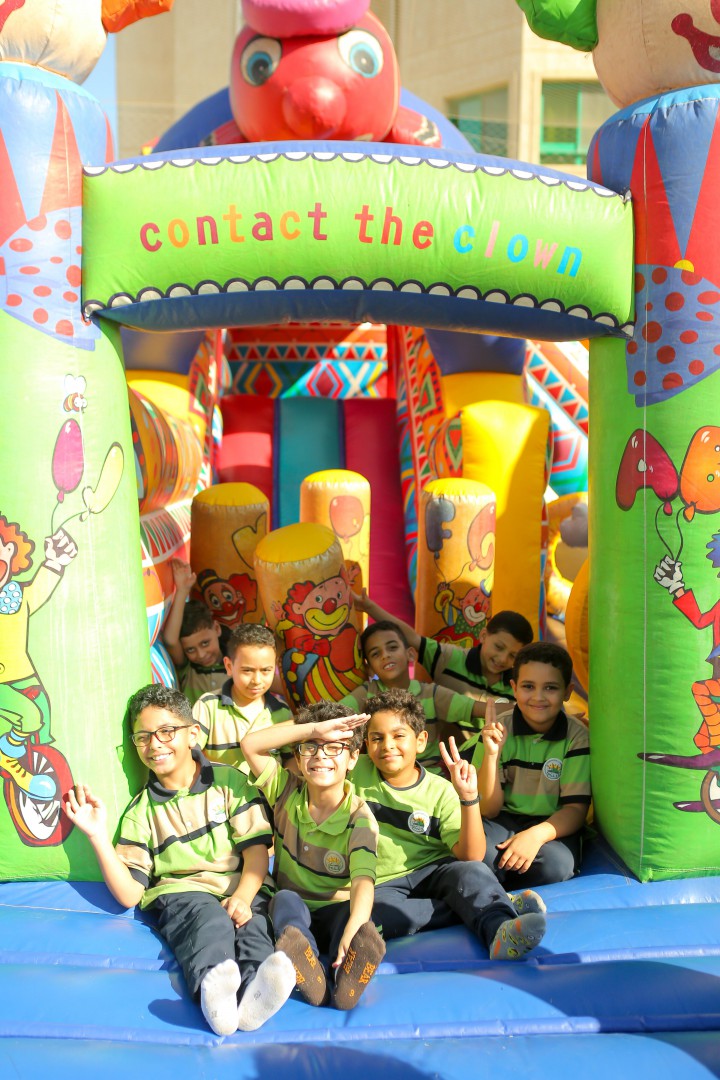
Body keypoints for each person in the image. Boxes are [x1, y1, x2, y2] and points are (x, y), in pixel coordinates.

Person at [62, 684, 296, 1035]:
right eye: (143, 737)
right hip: (184, 894)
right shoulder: (141, 811)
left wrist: (243, 898)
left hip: (242, 886)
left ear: (193, 734)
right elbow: (129, 894)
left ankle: (254, 995)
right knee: (209, 923)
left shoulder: (229, 783)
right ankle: (214, 995)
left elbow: (256, 854)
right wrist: (97, 836)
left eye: (166, 731)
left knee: (255, 927)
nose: (155, 744)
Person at [352, 689, 547, 960]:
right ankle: (488, 901)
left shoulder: (440, 790)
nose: (387, 745)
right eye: (377, 738)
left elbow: (472, 855)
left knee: (470, 873)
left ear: (421, 741)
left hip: (434, 871)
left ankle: (500, 929)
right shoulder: (354, 770)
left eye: (398, 736)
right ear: (365, 743)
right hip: (383, 884)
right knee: (373, 917)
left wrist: (469, 798)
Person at [241, 702, 386, 1011]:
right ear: (298, 757)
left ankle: (346, 975)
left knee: (350, 921)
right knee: (284, 902)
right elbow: (250, 744)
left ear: (352, 758)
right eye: (311, 747)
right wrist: (314, 729)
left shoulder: (360, 818)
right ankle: (311, 973)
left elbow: (363, 882)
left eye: (334, 748)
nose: (320, 756)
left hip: (336, 908)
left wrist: (355, 926)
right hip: (296, 905)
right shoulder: (285, 791)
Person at [475, 642, 591, 887]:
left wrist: (534, 836)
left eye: (550, 687)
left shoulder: (577, 737)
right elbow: (489, 809)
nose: (538, 697)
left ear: (567, 692)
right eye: (528, 686)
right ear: (514, 688)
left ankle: (508, 885)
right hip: (502, 819)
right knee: (478, 854)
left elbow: (575, 809)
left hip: (552, 824)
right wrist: (492, 755)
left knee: (556, 866)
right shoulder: (496, 730)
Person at [353, 589, 533, 716]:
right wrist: (369, 607)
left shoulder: (519, 684)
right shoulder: (449, 659)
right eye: (499, 647)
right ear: (484, 636)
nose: (502, 658)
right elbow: (412, 638)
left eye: (513, 656)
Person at [339, 620, 490, 772]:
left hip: (429, 775)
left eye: (392, 647)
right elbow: (333, 715)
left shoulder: (431, 694)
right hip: (382, 776)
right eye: (375, 654)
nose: (385, 655)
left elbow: (480, 708)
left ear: (410, 654)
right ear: (370, 669)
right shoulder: (366, 694)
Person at [192, 623, 291, 772]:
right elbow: (190, 754)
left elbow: (290, 760)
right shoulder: (208, 706)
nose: (257, 680)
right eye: (247, 671)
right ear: (229, 666)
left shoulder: (282, 711)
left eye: (266, 670)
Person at [161, 559, 229, 706]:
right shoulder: (188, 669)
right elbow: (170, 640)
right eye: (190, 650)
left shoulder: (235, 664)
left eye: (205, 643)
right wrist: (182, 590)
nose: (201, 655)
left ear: (217, 629)